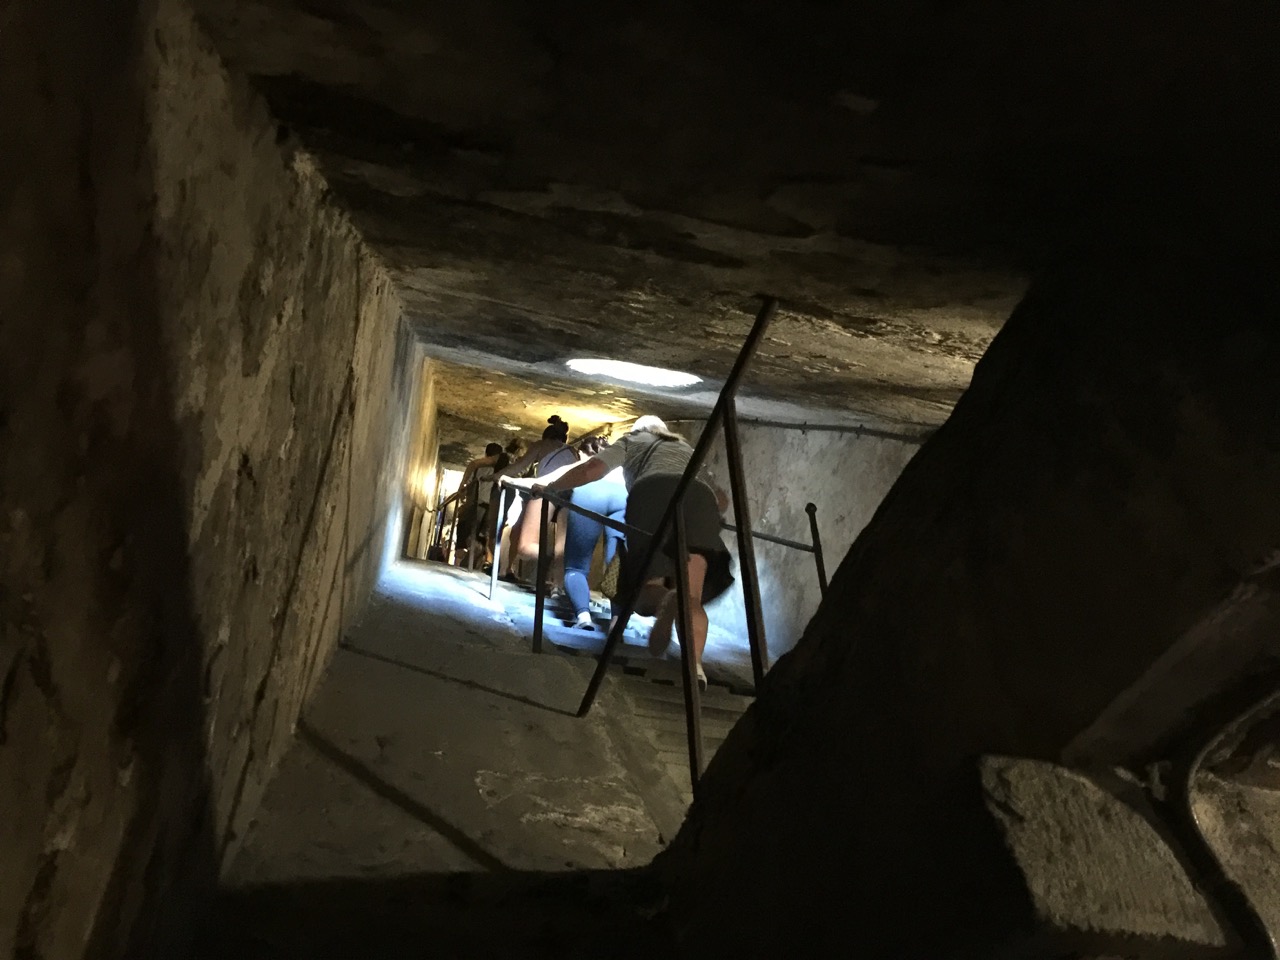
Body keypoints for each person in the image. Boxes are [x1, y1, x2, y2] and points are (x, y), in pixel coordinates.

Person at [535, 416, 732, 689]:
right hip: (700, 500)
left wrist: (551, 487)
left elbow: (593, 469)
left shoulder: (633, 440)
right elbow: (721, 499)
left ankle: (665, 600)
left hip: (653, 494)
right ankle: (695, 667)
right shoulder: (686, 448)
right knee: (692, 597)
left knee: (646, 587)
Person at [492, 416, 575, 582]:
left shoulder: (542, 445)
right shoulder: (573, 451)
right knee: (561, 549)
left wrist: (497, 476)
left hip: (547, 491)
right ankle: (556, 585)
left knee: (524, 544)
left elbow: (519, 466)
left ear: (546, 436)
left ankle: (538, 559)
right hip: (571, 495)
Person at [559, 436, 627, 630]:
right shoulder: (619, 461)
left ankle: (583, 617)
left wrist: (545, 486)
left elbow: (555, 478)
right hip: (623, 495)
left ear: (582, 453)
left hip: (589, 492)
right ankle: (617, 623)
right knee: (617, 566)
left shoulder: (586, 465)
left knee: (576, 566)